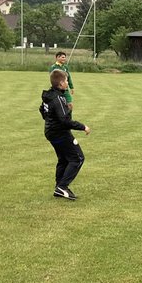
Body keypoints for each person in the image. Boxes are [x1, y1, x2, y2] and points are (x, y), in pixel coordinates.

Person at [40, 69, 89, 200]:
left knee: (63, 159)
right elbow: (65, 121)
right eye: (66, 80)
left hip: (50, 133)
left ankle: (58, 188)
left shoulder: (49, 95)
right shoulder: (58, 98)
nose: (67, 83)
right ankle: (62, 186)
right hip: (60, 134)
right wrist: (83, 126)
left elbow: (42, 110)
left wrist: (51, 121)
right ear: (61, 83)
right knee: (77, 158)